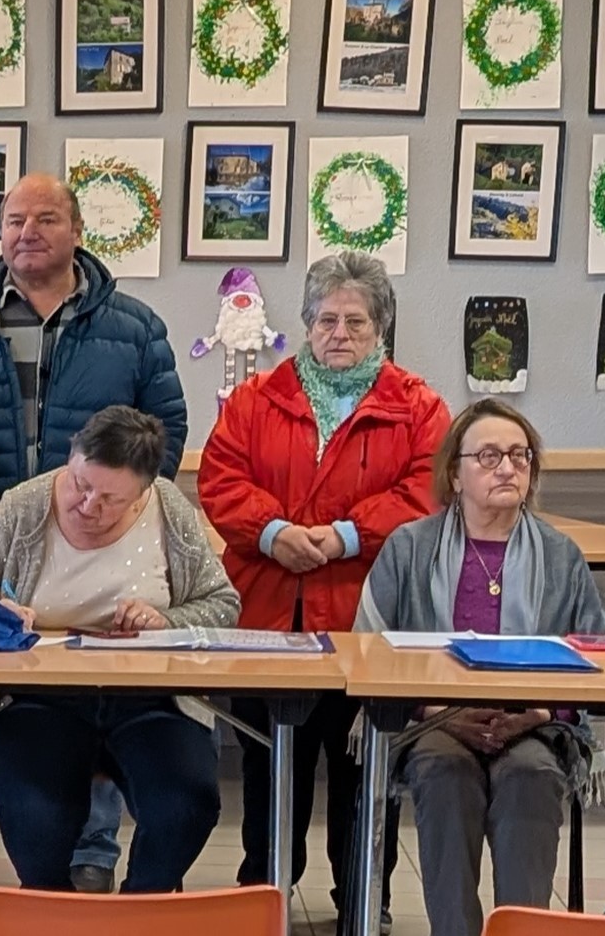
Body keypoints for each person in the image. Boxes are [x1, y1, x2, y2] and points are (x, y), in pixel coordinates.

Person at [0, 173, 188, 894]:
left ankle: (91, 851)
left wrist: (124, 510)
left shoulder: (132, 325)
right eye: (13, 220)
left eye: (44, 219)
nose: (26, 232)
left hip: (94, 538)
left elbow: (164, 430)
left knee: (91, 687)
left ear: (76, 232)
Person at [198, 250, 449, 930]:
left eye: (356, 322)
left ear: (381, 328)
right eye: (327, 320)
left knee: (364, 770)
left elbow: (425, 491)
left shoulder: (419, 407)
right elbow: (220, 480)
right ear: (307, 324)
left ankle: (364, 901)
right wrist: (272, 530)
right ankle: (264, 897)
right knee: (268, 770)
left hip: (371, 619)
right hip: (268, 612)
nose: (340, 333)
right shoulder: (254, 400)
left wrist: (344, 535)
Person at [0, 406, 238, 892]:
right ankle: (55, 909)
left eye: (111, 499)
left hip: (151, 699)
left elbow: (223, 603)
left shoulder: (169, 510)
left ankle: (140, 908)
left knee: (185, 804)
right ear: (71, 458)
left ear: (143, 492)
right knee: (37, 815)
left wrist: (166, 621)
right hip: (36, 698)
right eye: (79, 484)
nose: (89, 506)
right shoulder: (25, 505)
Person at [355, 399, 605, 936]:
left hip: (533, 723)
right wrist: (437, 711)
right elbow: (367, 652)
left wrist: (539, 713)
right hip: (433, 720)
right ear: (455, 473)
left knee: (532, 776)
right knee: (444, 772)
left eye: (520, 455)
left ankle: (523, 928)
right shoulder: (409, 548)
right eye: (489, 456)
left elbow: (594, 659)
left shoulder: (561, 556)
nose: (508, 468)